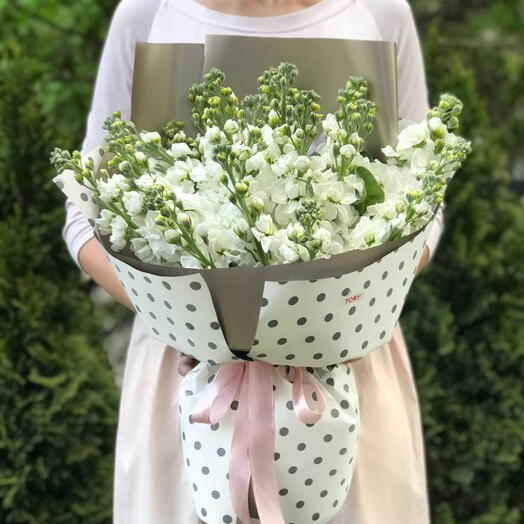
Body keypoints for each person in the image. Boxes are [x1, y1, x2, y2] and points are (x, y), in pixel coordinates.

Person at [63, 0, 444, 522]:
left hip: (343, 361)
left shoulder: (380, 11)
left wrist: (324, 315)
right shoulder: (148, 13)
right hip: (188, 369)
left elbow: (424, 204)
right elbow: (86, 215)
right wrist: (197, 323)